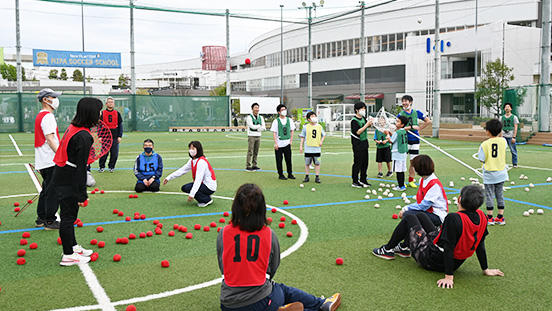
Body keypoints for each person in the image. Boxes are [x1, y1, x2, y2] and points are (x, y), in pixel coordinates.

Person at [217, 183, 341, 311]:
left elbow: (223, 266)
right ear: (262, 209)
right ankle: (320, 304)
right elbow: (273, 266)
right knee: (282, 290)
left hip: (228, 304)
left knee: (273, 291)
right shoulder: (268, 234)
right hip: (262, 300)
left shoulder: (224, 232)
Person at [372, 185, 504, 289]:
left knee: (409, 217)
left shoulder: (454, 218)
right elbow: (480, 244)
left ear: (459, 199)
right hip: (451, 260)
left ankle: (387, 250)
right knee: (421, 215)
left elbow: (448, 247)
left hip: (431, 259)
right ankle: (403, 249)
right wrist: (485, 269)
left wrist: (449, 277)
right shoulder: (482, 216)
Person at [52, 97, 103, 266]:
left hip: (63, 172)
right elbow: (81, 168)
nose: (100, 115)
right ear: (91, 113)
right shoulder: (84, 136)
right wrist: (82, 194)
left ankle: (73, 247)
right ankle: (68, 255)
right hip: (69, 176)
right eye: (98, 111)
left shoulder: (75, 127)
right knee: (68, 217)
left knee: (70, 216)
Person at [34, 88, 62, 230]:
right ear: (46, 100)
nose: (56, 99)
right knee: (53, 190)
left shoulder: (40, 115)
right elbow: (50, 139)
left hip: (43, 159)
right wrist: (60, 155)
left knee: (46, 189)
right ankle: (50, 221)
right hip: (50, 159)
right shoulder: (48, 116)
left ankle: (41, 218)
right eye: (53, 97)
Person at [163, 141, 217, 207]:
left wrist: (192, 194)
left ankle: (206, 200)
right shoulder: (192, 160)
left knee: (189, 188)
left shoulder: (201, 162)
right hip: (203, 184)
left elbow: (198, 179)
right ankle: (205, 195)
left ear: (198, 149)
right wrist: (169, 177)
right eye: (190, 148)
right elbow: (182, 170)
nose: (191, 150)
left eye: (193, 148)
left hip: (209, 186)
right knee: (185, 187)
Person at [399, 155, 448, 226]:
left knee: (408, 214)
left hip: (437, 215)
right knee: (409, 215)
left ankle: (431, 230)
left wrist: (406, 208)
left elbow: (424, 206)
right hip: (428, 212)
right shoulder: (422, 179)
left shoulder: (434, 184)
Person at [478, 119, 508, 225]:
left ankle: (490, 218)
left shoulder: (484, 144)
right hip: (501, 172)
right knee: (500, 194)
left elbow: (481, 158)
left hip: (489, 173)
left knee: (489, 195)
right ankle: (500, 217)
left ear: (488, 131)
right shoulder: (503, 141)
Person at [397, 95, 431, 188]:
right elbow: (398, 127)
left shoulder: (417, 112)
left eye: (406, 101)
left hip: (415, 140)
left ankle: (411, 180)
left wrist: (419, 129)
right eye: (403, 101)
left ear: (410, 102)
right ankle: (401, 181)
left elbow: (428, 121)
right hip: (404, 140)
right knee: (402, 161)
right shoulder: (400, 114)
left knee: (413, 161)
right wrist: (409, 127)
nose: (404, 103)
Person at [350, 102, 373, 188]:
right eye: (362, 108)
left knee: (365, 163)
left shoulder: (364, 118)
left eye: (364, 108)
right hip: (357, 144)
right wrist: (367, 125)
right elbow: (358, 132)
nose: (364, 110)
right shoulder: (354, 121)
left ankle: (363, 179)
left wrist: (370, 123)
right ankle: (355, 181)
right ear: (357, 110)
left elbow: (367, 126)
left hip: (364, 143)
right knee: (357, 163)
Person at [271, 104, 296, 180]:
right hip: (279, 143)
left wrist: (291, 141)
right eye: (282, 110)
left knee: (288, 159)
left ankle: (290, 173)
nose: (284, 111)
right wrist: (276, 143)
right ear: (279, 112)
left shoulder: (289, 120)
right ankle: (280, 174)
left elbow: (292, 131)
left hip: (287, 143)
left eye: (285, 109)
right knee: (279, 160)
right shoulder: (276, 121)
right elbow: (274, 132)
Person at [299, 111, 325, 183]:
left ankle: (317, 177)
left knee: (317, 163)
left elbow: (324, 135)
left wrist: (321, 141)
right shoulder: (305, 127)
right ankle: (307, 176)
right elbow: (302, 137)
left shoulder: (319, 127)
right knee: (307, 163)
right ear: (308, 119)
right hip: (308, 149)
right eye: (312, 116)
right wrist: (301, 146)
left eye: (314, 116)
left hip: (317, 149)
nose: (314, 118)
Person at [384, 115, 409, 191]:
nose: (396, 122)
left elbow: (391, 141)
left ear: (402, 125)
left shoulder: (397, 132)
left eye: (398, 121)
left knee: (398, 171)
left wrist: (387, 135)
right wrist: (391, 135)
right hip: (403, 154)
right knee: (401, 170)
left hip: (397, 153)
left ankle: (400, 186)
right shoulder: (403, 131)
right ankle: (402, 185)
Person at [99, 97, 123, 173]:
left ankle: (111, 166)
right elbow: (99, 125)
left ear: (114, 104)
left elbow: (120, 125)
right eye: (109, 102)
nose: (110, 103)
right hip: (105, 137)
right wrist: (99, 136)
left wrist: (120, 136)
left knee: (114, 153)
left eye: (111, 102)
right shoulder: (102, 113)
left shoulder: (117, 113)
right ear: (106, 104)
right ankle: (102, 166)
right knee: (104, 153)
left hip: (115, 137)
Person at [246, 103, 266, 172]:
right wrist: (259, 126)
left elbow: (264, 127)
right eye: (255, 108)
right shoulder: (249, 117)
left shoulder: (261, 117)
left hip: (258, 135)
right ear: (252, 109)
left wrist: (258, 128)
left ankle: (254, 164)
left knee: (256, 151)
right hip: (251, 135)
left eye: (258, 108)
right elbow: (251, 126)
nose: (257, 109)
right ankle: (248, 166)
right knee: (250, 151)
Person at [499, 102, 519, 168]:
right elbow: (500, 127)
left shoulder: (514, 117)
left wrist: (514, 137)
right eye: (506, 107)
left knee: (513, 150)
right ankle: (502, 163)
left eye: (508, 107)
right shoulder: (502, 117)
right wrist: (500, 136)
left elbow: (516, 127)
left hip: (510, 136)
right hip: (503, 136)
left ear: (511, 108)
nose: (507, 108)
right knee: (502, 150)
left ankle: (515, 163)